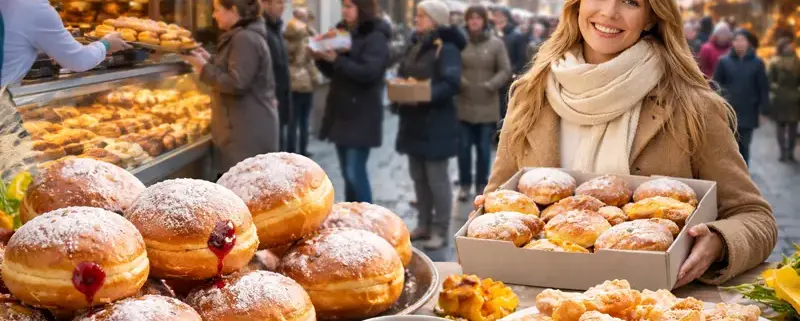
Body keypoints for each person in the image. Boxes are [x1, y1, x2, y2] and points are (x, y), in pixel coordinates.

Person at [478, 0, 776, 288]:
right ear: (577, 4)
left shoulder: (692, 106)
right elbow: (497, 199)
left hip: (646, 302)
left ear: (651, 16)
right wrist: (485, 215)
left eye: (630, 1)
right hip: (537, 298)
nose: (609, 12)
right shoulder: (530, 96)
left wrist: (718, 241)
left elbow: (755, 217)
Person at [396, 0, 465, 250]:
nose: (417, 18)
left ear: (436, 19)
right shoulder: (417, 43)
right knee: (418, 177)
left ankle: (440, 229)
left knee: (437, 180)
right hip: (413, 120)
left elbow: (451, 83)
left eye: (422, 15)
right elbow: (406, 71)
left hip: (436, 123)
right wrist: (401, 85)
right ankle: (423, 224)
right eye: (417, 14)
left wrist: (423, 93)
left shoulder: (446, 48)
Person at [182, 0, 279, 177]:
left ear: (233, 10)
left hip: (246, 133)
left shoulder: (245, 38)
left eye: (217, 10)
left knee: (243, 191)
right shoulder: (243, 36)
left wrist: (202, 67)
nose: (213, 15)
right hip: (244, 128)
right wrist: (209, 59)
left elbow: (237, 82)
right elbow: (235, 69)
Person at [312, 0, 391, 203]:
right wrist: (320, 57)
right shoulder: (341, 33)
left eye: (349, 6)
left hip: (362, 113)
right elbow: (334, 73)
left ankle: (367, 219)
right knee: (347, 175)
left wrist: (337, 61)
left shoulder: (375, 36)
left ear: (362, 8)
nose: (344, 10)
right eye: (343, 6)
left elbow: (369, 73)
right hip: (341, 111)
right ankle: (351, 215)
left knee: (355, 172)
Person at [0, 0, 131, 87]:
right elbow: (79, 61)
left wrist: (51, 49)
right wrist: (106, 44)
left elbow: (12, 41)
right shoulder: (33, 7)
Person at [456, 5, 511, 202]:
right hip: (464, 102)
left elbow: (505, 69)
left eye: (478, 18)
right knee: (462, 148)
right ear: (467, 21)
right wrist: (462, 82)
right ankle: (464, 184)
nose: (474, 22)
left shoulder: (496, 44)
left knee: (482, 149)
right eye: (471, 18)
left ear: (484, 21)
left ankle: (481, 184)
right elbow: (453, 66)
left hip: (487, 104)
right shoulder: (460, 42)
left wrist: (491, 84)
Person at [713, 30, 769, 165]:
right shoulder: (724, 61)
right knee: (729, 147)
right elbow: (715, 86)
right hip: (729, 110)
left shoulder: (757, 62)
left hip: (749, 110)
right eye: (736, 40)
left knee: (744, 146)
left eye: (742, 40)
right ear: (732, 43)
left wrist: (764, 111)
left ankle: (744, 175)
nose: (739, 43)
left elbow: (763, 87)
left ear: (748, 43)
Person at [285, 9, 319, 157]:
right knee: (303, 119)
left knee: (293, 120)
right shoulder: (307, 37)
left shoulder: (286, 35)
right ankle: (303, 150)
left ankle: (291, 150)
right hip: (305, 82)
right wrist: (314, 77)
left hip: (291, 80)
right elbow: (308, 60)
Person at [263, 0, 293, 153]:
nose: (283, 7)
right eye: (279, 2)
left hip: (280, 101)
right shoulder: (262, 31)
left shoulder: (276, 29)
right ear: (265, 4)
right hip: (270, 104)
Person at [491, 6, 528, 119]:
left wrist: (511, 73)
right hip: (491, 75)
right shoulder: (491, 32)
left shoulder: (516, 35)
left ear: (506, 17)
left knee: (503, 109)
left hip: (507, 78)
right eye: (495, 15)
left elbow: (521, 58)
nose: (496, 18)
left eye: (499, 15)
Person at [767, 38, 800, 162]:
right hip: (793, 98)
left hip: (780, 98)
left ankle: (784, 153)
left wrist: (775, 91)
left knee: (781, 126)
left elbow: (769, 81)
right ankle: (789, 152)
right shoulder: (797, 62)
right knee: (792, 127)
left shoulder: (775, 62)